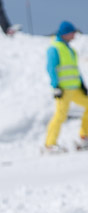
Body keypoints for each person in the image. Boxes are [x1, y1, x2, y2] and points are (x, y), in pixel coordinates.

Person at [44, 21, 88, 153]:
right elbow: (51, 68)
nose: (74, 35)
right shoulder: (54, 48)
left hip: (75, 88)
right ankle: (49, 144)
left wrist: (82, 85)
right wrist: (55, 86)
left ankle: (84, 137)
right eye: (72, 32)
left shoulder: (71, 49)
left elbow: (75, 69)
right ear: (65, 33)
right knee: (60, 115)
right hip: (63, 89)